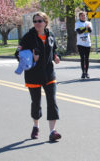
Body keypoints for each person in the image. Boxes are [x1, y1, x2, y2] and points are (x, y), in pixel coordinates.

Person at [16, 11, 61, 142]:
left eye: (39, 21)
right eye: (35, 21)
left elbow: (54, 51)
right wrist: (32, 57)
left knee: (52, 101)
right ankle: (36, 126)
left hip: (49, 74)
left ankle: (53, 131)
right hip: (33, 75)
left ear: (45, 22)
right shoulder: (28, 37)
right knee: (36, 103)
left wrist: (56, 57)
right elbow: (17, 54)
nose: (37, 23)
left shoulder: (51, 36)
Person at [75, 11, 92, 79]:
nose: (83, 17)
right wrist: (85, 28)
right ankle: (83, 72)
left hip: (87, 43)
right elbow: (79, 32)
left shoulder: (88, 23)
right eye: (82, 16)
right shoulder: (77, 23)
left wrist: (88, 27)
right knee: (82, 58)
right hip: (80, 43)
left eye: (84, 16)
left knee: (87, 58)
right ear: (79, 17)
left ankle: (87, 72)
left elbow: (90, 31)